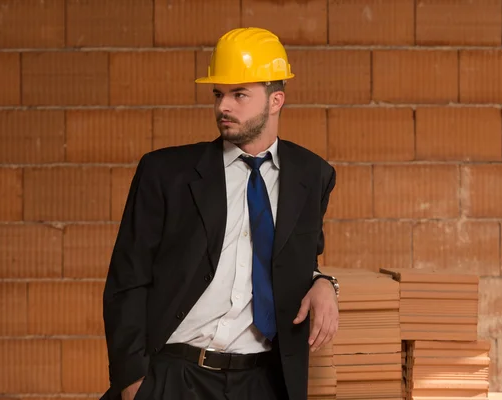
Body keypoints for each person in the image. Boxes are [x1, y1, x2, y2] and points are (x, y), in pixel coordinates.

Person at [100, 27, 339, 400]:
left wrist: (325, 283)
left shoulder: (313, 175)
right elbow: (127, 281)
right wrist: (133, 384)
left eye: (239, 94)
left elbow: (299, 258)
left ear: (275, 100)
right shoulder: (166, 173)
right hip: (175, 377)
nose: (223, 106)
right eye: (219, 94)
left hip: (262, 381)